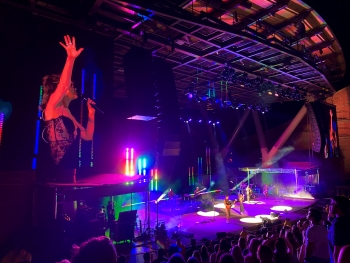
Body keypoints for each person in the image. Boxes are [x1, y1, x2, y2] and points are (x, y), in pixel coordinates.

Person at [39, 35, 95, 182]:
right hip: (53, 175)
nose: (73, 86)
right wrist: (71, 58)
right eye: (71, 85)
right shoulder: (52, 107)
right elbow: (63, 85)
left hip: (70, 173)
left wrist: (91, 114)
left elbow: (88, 136)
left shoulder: (68, 113)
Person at [327, 196, 350, 263]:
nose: (329, 206)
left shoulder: (338, 224)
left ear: (336, 206)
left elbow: (337, 250)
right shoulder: (346, 221)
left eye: (331, 204)